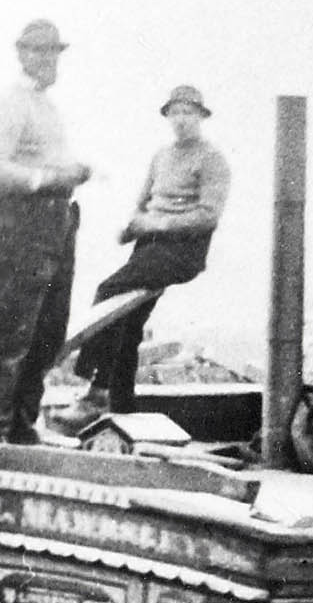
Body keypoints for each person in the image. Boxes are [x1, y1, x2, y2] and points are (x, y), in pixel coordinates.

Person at [53, 85, 231, 432]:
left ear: (201, 117)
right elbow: (142, 202)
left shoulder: (212, 159)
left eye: (188, 113)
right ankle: (120, 403)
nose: (181, 120)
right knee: (129, 321)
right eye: (175, 113)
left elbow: (208, 216)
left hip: (183, 250)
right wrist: (131, 228)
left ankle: (93, 386)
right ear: (168, 117)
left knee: (110, 291)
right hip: (148, 246)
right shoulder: (161, 156)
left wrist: (160, 223)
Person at [0, 19, 92, 445]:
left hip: (56, 224)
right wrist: (52, 178)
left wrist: (72, 176)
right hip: (22, 225)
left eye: (54, 53)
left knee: (48, 332)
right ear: (22, 55)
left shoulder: (47, 107)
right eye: (40, 52)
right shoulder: (11, 103)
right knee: (13, 331)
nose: (49, 60)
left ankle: (22, 427)